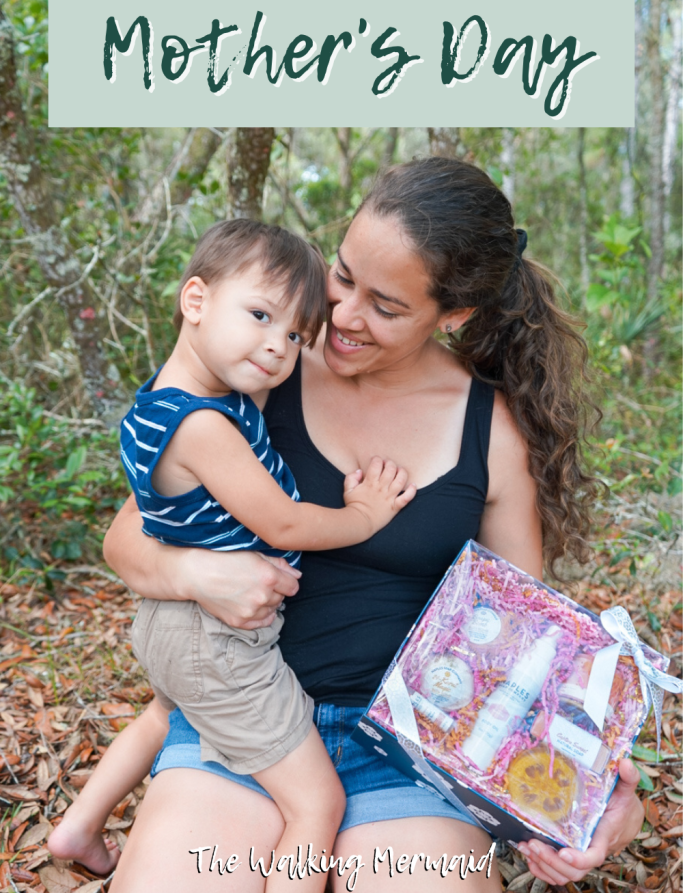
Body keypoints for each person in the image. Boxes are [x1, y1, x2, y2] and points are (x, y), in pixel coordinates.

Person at [101, 159, 644, 892]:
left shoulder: (491, 429)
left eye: (386, 306)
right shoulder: (266, 364)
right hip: (247, 723)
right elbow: (127, 536)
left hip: (406, 752)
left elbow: (532, 652)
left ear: (450, 316)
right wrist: (198, 571)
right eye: (344, 275)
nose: (344, 318)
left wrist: (609, 791)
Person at [48, 221, 416, 891]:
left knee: (166, 712)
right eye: (258, 316)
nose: (277, 346)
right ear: (195, 301)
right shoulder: (205, 427)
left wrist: (268, 341)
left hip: (172, 626)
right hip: (219, 640)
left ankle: (79, 824)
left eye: (296, 334)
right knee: (317, 803)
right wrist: (363, 515)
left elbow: (259, 373)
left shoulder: (170, 404)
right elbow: (281, 519)